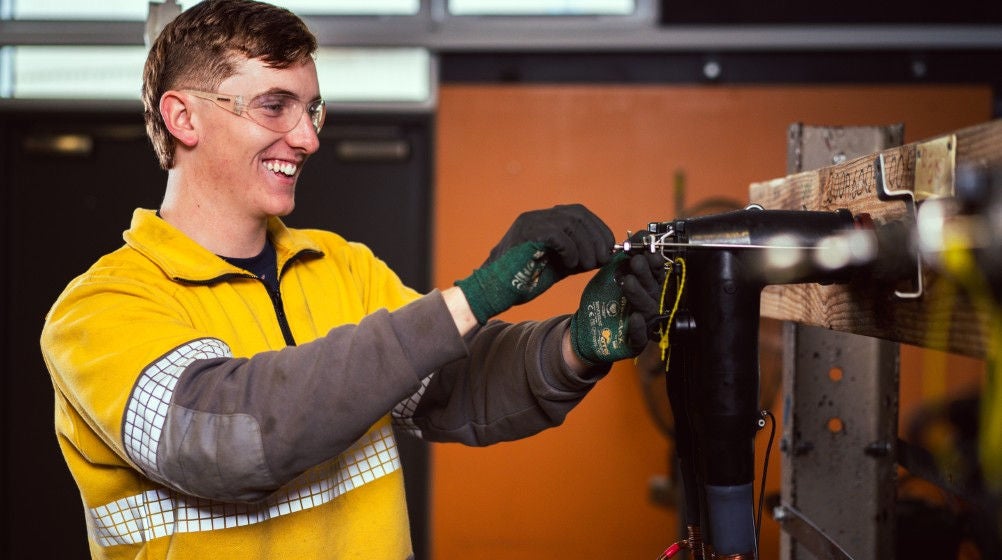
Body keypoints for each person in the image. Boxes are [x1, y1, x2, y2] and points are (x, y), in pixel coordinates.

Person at [40, 1, 666, 558]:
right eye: (275, 106)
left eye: (312, 109)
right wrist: (477, 295)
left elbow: (453, 385)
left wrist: (578, 345)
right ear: (183, 117)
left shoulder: (340, 266)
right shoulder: (99, 310)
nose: (307, 138)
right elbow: (227, 437)